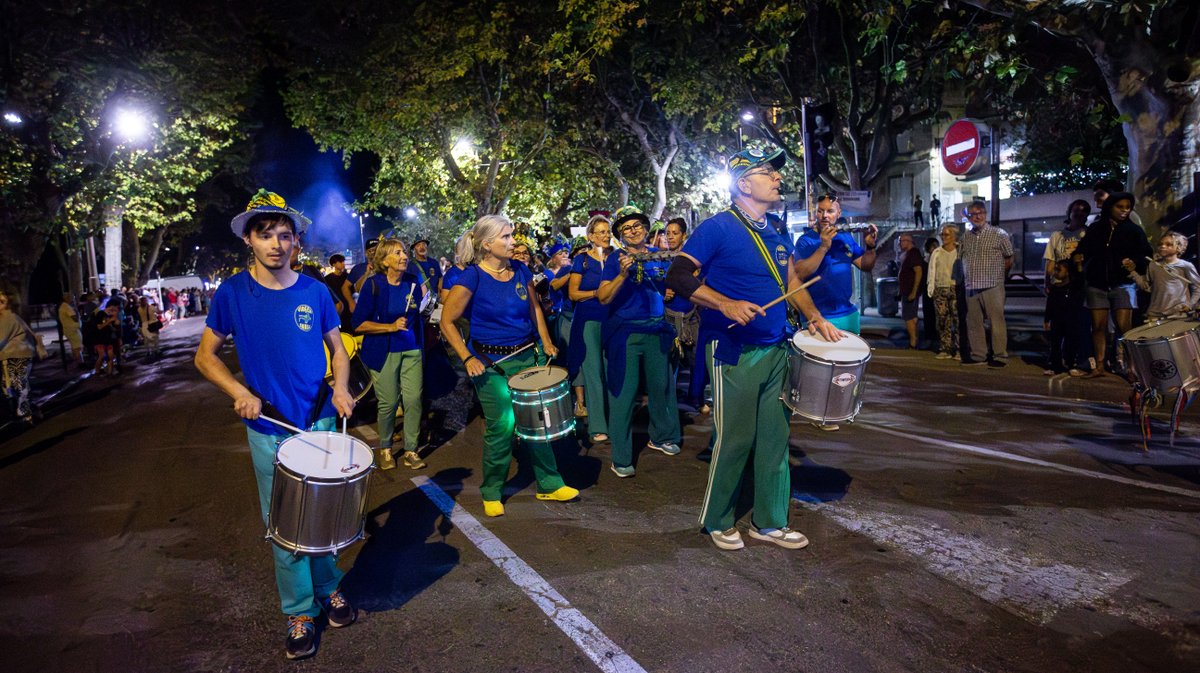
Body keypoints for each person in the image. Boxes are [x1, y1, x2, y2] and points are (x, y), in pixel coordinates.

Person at [193, 189, 357, 660]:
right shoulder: (232, 293)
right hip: (271, 425)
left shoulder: (315, 291)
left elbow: (339, 350)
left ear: (295, 242)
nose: (276, 244)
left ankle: (328, 588)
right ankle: (299, 611)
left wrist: (341, 388)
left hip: (319, 418)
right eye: (266, 235)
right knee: (286, 522)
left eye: (285, 235)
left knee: (324, 512)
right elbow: (205, 357)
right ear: (249, 239)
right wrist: (239, 392)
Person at [666, 147, 841, 552]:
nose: (778, 178)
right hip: (733, 348)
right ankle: (718, 519)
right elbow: (678, 274)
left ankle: (770, 522)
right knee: (735, 439)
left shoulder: (776, 229)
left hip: (776, 348)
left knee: (776, 439)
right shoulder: (717, 227)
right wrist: (724, 304)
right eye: (768, 172)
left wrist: (814, 316)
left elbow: (790, 281)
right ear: (744, 184)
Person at [439, 214, 579, 518]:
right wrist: (467, 357)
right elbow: (447, 321)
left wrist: (546, 341)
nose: (513, 241)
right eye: (506, 236)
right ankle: (492, 490)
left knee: (538, 422)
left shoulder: (520, 269)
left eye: (511, 235)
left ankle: (550, 483)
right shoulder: (472, 277)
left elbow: (534, 308)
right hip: (491, 364)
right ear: (487, 244)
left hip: (527, 356)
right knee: (502, 425)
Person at [599, 205, 682, 478]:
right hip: (626, 334)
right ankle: (621, 457)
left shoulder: (659, 255)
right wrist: (623, 275)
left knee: (662, 386)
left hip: (657, 330)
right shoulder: (615, 259)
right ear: (620, 236)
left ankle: (663, 436)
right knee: (624, 393)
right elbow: (603, 297)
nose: (633, 231)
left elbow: (672, 286)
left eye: (636, 225)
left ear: (646, 229)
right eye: (626, 228)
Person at [352, 239, 427, 471]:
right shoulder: (373, 284)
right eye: (397, 253)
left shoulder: (412, 281)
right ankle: (385, 448)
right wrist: (390, 327)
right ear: (385, 261)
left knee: (413, 400)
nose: (404, 256)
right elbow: (358, 324)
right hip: (383, 351)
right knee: (389, 402)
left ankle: (411, 450)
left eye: (404, 252)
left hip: (412, 349)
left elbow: (417, 312)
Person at [1078, 192, 1152, 377]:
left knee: (1124, 327)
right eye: (1120, 207)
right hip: (1096, 284)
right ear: (1110, 207)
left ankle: (1131, 368)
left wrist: (1135, 263)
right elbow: (1083, 249)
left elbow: (1146, 255)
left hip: (1123, 284)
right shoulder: (1096, 228)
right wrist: (1078, 259)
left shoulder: (1134, 230)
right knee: (1098, 326)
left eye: (1128, 207)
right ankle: (1099, 366)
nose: (1124, 211)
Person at [792, 194, 878, 335]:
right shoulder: (805, 241)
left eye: (830, 211)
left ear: (839, 213)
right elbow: (800, 274)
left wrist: (870, 247)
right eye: (820, 211)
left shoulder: (845, 237)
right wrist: (823, 247)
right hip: (818, 317)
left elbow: (865, 265)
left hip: (848, 315)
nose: (824, 216)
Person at [567, 213, 615, 442]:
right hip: (588, 320)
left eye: (608, 231)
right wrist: (597, 293)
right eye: (601, 232)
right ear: (591, 236)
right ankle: (597, 426)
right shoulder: (582, 261)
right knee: (593, 372)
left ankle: (615, 421)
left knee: (612, 370)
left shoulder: (616, 258)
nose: (606, 235)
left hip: (613, 320)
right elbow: (573, 293)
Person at [958, 201, 1013, 367]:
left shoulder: (999, 234)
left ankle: (1000, 355)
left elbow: (1009, 257)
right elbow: (961, 259)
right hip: (971, 286)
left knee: (996, 322)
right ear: (968, 217)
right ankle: (978, 355)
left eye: (980, 212)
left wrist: (1000, 277)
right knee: (973, 322)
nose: (977, 216)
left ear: (985, 214)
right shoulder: (965, 237)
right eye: (973, 214)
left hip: (992, 284)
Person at [1122, 231, 1200, 320]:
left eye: (1169, 244)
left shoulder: (1185, 265)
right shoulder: (1153, 265)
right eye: (1160, 244)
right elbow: (1146, 286)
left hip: (1178, 312)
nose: (1163, 246)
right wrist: (1132, 272)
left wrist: (1189, 305)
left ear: (1178, 248)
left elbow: (1197, 287)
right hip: (1155, 313)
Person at [0, 289, 47, 426]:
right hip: (11, 356)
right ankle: (30, 410)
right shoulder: (9, 317)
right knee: (11, 387)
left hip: (17, 355)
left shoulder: (8, 318)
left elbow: (1, 340)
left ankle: (27, 415)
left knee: (18, 386)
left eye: (1, 302)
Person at [1044, 258, 1091, 376]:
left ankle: (1071, 364)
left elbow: (1081, 279)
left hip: (1071, 319)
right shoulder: (1055, 288)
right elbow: (1050, 305)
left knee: (1071, 342)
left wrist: (1079, 265)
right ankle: (1056, 366)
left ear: (1068, 271)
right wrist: (1047, 319)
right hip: (1057, 319)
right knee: (1055, 343)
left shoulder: (1074, 287)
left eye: (1059, 270)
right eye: (1055, 270)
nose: (1056, 272)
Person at [927, 225, 960, 359]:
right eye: (942, 234)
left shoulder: (959, 251)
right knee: (942, 320)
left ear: (953, 236)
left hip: (955, 288)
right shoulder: (937, 252)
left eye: (946, 234)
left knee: (957, 319)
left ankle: (959, 349)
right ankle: (945, 348)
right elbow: (931, 271)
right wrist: (931, 287)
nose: (943, 237)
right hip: (940, 288)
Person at [1044, 199, 1091, 283]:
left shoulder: (1090, 234)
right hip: (1059, 283)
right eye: (1076, 210)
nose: (1080, 213)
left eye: (1084, 211)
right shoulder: (1056, 236)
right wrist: (1047, 282)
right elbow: (1050, 261)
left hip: (1081, 283)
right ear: (1069, 213)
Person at [897, 233, 925, 349]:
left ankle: (913, 341)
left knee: (908, 317)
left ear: (908, 241)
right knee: (911, 316)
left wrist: (914, 291)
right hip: (907, 290)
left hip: (909, 291)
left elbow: (918, 272)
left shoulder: (913, 254)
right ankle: (914, 340)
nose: (899, 244)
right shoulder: (909, 254)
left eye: (901, 241)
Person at [324, 254, 356, 333]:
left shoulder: (347, 277)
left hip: (349, 309)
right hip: (336, 309)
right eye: (340, 262)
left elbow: (353, 291)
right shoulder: (327, 279)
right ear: (334, 264)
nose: (343, 264)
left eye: (343, 262)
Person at [91, 303, 121, 376]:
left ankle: (109, 372)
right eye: (114, 309)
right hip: (100, 339)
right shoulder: (101, 314)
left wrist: (116, 323)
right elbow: (99, 327)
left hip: (108, 339)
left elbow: (113, 328)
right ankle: (97, 371)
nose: (115, 311)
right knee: (101, 356)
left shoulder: (109, 316)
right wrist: (110, 321)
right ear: (110, 307)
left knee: (110, 356)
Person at [58, 292, 84, 367]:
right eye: (72, 297)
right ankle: (80, 363)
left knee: (75, 347)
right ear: (67, 298)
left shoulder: (63, 306)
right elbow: (74, 318)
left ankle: (78, 362)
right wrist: (78, 313)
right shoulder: (67, 307)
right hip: (73, 329)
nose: (73, 299)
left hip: (69, 329)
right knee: (78, 347)